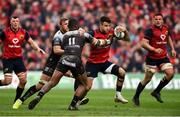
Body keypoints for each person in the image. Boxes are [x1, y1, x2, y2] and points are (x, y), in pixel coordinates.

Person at [28, 18, 111, 110]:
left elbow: (59, 47)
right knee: (86, 84)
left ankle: (39, 95)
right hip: (75, 60)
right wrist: (107, 41)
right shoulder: (83, 34)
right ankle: (73, 104)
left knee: (52, 82)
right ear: (77, 26)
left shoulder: (64, 35)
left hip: (63, 59)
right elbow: (97, 43)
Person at [12, 18, 89, 109]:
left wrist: (82, 30)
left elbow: (83, 34)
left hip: (66, 61)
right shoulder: (58, 36)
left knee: (78, 77)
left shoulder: (71, 33)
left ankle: (77, 100)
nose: (67, 26)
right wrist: (71, 51)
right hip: (54, 62)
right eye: (65, 24)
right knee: (41, 84)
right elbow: (56, 51)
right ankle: (20, 100)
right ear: (61, 25)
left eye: (68, 24)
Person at [74, 16, 130, 104]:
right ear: (100, 25)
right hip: (92, 64)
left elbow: (127, 39)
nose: (107, 28)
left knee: (122, 72)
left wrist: (125, 30)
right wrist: (81, 33)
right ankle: (76, 102)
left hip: (104, 63)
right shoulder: (93, 33)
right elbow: (82, 40)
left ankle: (118, 95)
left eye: (109, 26)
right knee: (87, 87)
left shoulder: (112, 32)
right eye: (105, 26)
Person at [132, 13, 176, 106]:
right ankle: (136, 96)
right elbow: (143, 43)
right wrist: (154, 49)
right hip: (152, 58)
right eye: (156, 19)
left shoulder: (166, 28)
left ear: (162, 20)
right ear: (153, 20)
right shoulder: (150, 30)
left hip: (163, 57)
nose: (158, 21)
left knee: (170, 73)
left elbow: (168, 38)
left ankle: (156, 92)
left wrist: (172, 49)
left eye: (160, 19)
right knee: (147, 79)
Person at [0, 16, 45, 103]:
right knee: (7, 82)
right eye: (13, 21)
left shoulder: (23, 32)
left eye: (17, 21)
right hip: (8, 59)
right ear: (10, 22)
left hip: (18, 59)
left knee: (23, 81)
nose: (15, 23)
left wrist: (38, 49)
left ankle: (17, 99)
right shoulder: (5, 32)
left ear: (19, 22)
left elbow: (31, 42)